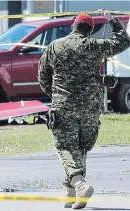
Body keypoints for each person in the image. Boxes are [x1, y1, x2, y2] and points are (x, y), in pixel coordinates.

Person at [38, 10, 130, 209]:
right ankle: (71, 192)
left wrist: (55, 95)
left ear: (73, 27)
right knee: (80, 148)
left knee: (65, 147)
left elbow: (43, 76)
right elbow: (124, 42)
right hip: (90, 106)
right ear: (90, 31)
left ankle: (79, 184)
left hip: (64, 104)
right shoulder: (94, 46)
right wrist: (113, 21)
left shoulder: (55, 47)